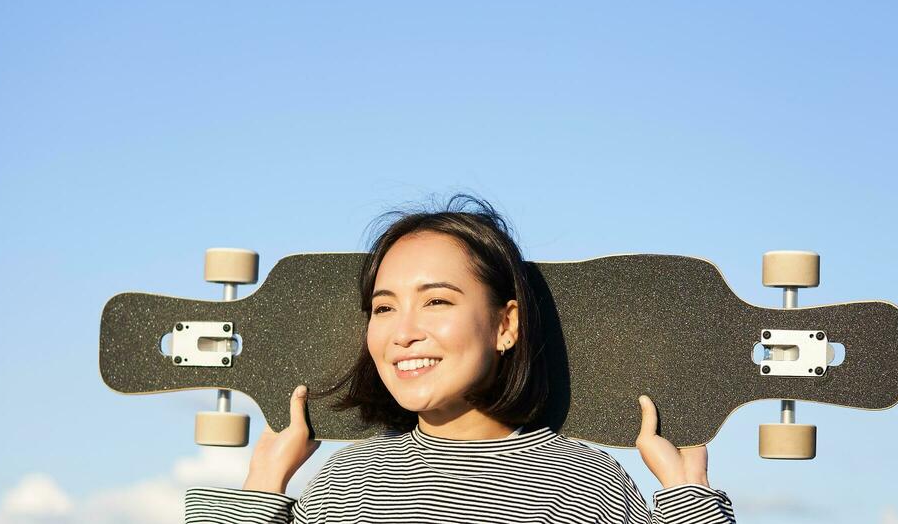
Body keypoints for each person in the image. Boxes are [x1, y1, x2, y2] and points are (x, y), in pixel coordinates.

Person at [183, 196, 738, 524]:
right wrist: (260, 492)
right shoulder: (342, 481)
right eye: (384, 307)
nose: (403, 332)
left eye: (437, 301)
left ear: (506, 324)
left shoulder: (586, 483)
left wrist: (689, 501)